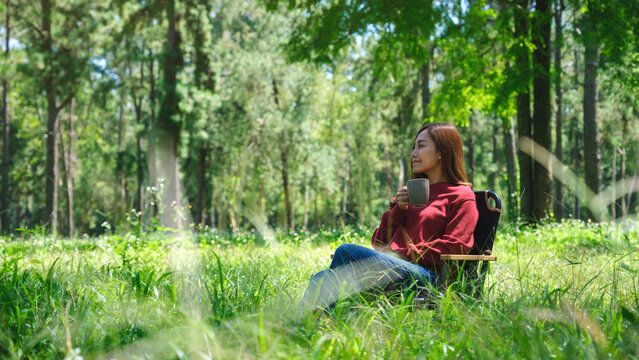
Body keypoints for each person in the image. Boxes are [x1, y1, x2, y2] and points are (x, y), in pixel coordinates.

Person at [300, 122, 479, 312]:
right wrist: (398, 210)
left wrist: (401, 252)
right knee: (321, 277)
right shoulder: (411, 193)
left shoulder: (461, 196)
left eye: (421, 146)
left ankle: (313, 325)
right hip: (393, 268)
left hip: (427, 278)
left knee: (345, 252)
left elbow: (455, 245)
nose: (413, 154)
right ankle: (313, 324)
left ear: (442, 151)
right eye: (413, 147)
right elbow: (378, 243)